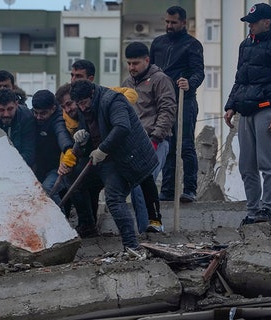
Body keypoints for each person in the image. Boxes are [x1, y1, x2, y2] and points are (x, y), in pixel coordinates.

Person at [224, 3, 271, 225]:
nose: (250, 26)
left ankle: (267, 209)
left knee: (267, 163)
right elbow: (240, 79)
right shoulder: (245, 45)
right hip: (244, 112)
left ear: (267, 22)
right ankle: (253, 211)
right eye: (248, 23)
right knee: (246, 166)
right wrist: (230, 105)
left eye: (253, 22)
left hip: (266, 111)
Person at [69, 80, 158, 250]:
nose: (81, 107)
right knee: (74, 180)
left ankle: (131, 246)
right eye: (78, 104)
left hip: (124, 158)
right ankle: (88, 225)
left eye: (84, 103)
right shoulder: (83, 107)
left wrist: (102, 149)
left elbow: (122, 127)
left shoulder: (112, 100)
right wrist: (79, 141)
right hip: (102, 159)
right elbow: (85, 139)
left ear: (92, 94)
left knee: (114, 197)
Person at [151, 6, 205, 203]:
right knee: (167, 146)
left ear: (183, 23)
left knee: (186, 146)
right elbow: (151, 71)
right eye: (167, 22)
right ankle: (167, 191)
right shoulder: (157, 43)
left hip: (185, 101)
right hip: (162, 104)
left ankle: (190, 190)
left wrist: (189, 82)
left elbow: (199, 72)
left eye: (173, 22)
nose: (169, 25)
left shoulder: (193, 45)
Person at [122, 41, 177, 233]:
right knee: (134, 186)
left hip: (156, 142)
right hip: (132, 145)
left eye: (135, 63)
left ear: (147, 60)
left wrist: (155, 138)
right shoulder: (127, 84)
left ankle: (152, 226)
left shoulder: (161, 80)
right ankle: (143, 229)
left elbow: (168, 111)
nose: (131, 67)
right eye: (128, 63)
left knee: (142, 184)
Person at [30, 90, 75, 205]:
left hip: (60, 167)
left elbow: (62, 135)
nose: (38, 117)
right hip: (39, 167)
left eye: (43, 113)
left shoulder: (60, 118)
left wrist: (67, 149)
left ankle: (61, 221)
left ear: (53, 108)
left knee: (48, 188)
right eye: (36, 113)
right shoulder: (31, 117)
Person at [0, 88, 36, 167]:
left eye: (10, 109)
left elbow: (29, 153)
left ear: (16, 104)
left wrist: (8, 164)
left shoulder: (27, 117)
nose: (6, 114)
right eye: (1, 110)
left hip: (21, 165)